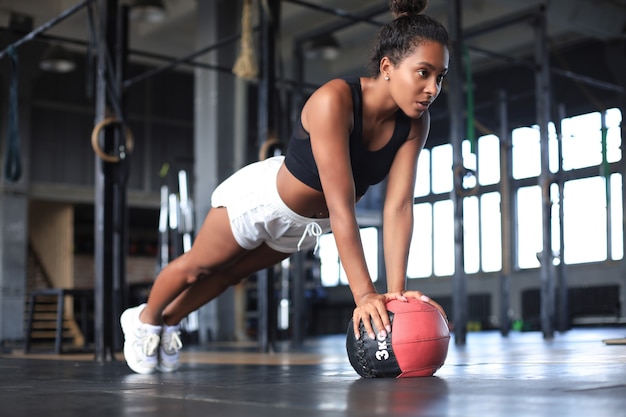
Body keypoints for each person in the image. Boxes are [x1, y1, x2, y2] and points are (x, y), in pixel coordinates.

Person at [121, 0, 450, 374]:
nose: (432, 88)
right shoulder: (335, 100)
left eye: (440, 77)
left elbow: (399, 207)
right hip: (264, 201)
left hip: (307, 227)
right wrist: (364, 295)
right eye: (423, 73)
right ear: (388, 67)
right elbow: (341, 204)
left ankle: (168, 322)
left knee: (232, 275)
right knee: (199, 267)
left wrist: (396, 293)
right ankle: (145, 320)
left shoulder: (415, 125)